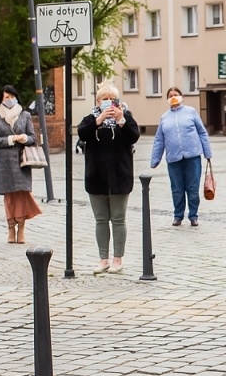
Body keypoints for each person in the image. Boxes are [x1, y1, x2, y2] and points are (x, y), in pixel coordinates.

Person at [79, 82, 140, 274]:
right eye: (104, 99)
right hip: (96, 177)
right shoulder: (90, 119)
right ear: (98, 101)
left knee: (118, 219)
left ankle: (117, 258)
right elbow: (82, 133)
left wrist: (121, 120)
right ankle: (103, 258)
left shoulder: (126, 117)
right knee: (101, 220)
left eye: (111, 99)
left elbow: (134, 136)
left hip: (119, 177)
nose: (108, 103)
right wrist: (98, 121)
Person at [149, 87, 212, 227]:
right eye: (170, 95)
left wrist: (207, 152)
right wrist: (155, 159)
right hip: (173, 159)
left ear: (181, 96)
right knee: (177, 189)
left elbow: (202, 132)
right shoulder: (164, 117)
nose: (173, 97)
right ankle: (178, 215)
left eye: (175, 95)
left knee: (193, 188)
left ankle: (193, 215)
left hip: (192, 156)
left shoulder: (191, 112)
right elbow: (159, 139)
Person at [0, 84, 42, 244]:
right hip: (5, 162)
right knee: (9, 197)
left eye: (12, 97)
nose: (9, 99)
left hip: (21, 161)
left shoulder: (25, 115)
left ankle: (22, 228)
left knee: (21, 195)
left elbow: (33, 137)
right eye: (6, 97)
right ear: (1, 99)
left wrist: (24, 138)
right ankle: (11, 228)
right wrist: (11, 139)